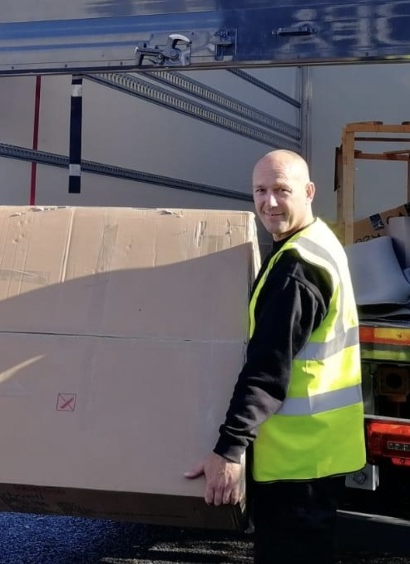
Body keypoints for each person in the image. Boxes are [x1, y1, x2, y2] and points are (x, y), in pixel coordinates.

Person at [185, 149, 366, 564]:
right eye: (260, 191)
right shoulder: (315, 242)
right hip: (317, 455)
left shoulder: (297, 269)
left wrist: (229, 450)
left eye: (281, 190)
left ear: (309, 192)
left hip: (295, 466)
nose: (269, 202)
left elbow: (268, 372)